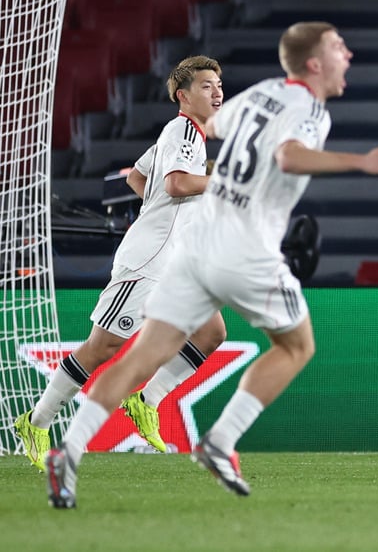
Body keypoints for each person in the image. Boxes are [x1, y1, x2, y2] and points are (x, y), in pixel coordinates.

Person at [45, 21, 378, 509]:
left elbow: (214, 127)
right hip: (245, 248)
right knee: (296, 345)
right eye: (339, 48)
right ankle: (221, 442)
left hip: (194, 247)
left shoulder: (263, 94)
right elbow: (290, 157)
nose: (349, 55)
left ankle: (70, 450)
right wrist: (360, 163)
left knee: (150, 353)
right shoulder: (310, 110)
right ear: (314, 64)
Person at [16, 56, 228, 470]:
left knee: (211, 331)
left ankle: (146, 401)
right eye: (206, 85)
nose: (217, 90)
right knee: (103, 347)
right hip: (147, 260)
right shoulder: (184, 130)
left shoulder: (185, 134)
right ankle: (36, 422)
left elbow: (136, 176)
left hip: (176, 258)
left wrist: (162, 211)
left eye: (219, 83)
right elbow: (179, 183)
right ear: (183, 96)